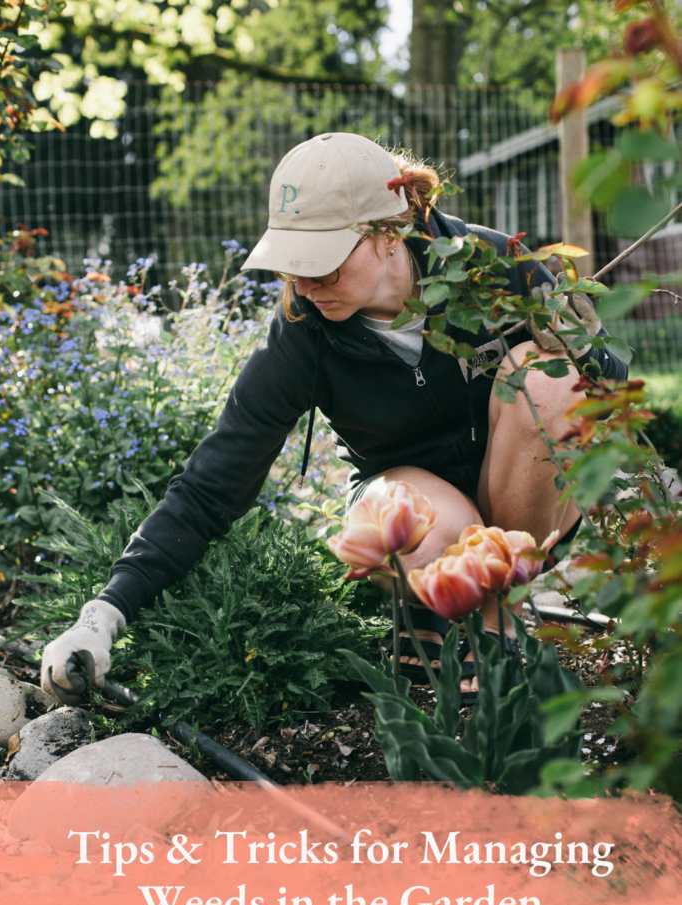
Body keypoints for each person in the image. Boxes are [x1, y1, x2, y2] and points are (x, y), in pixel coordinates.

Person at [40, 132, 627, 706]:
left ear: (388, 233)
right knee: (414, 531)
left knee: (552, 378)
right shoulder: (302, 333)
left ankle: (497, 625)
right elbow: (210, 485)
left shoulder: (492, 268)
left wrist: (588, 349)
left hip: (526, 497)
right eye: (293, 264)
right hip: (412, 504)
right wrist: (103, 617)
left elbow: (606, 397)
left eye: (323, 264)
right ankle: (442, 615)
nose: (304, 285)